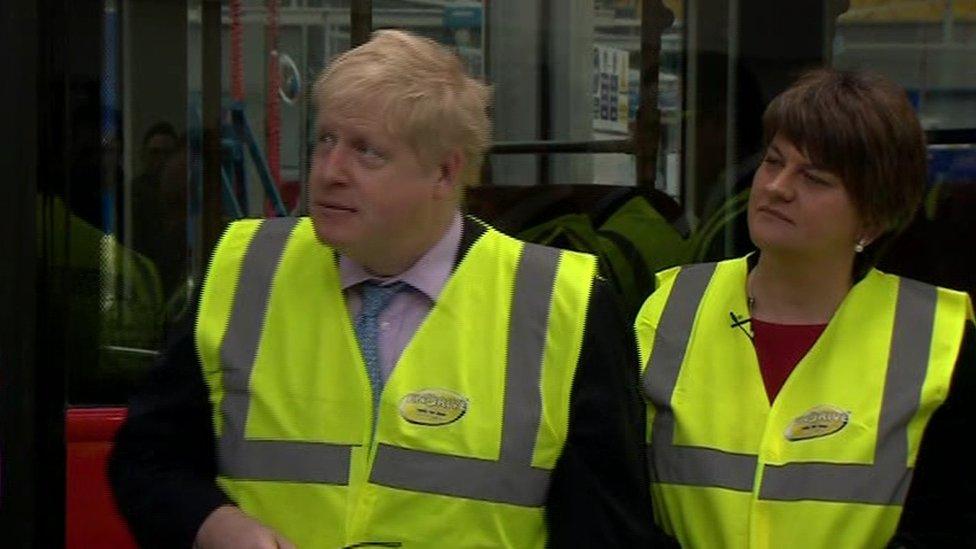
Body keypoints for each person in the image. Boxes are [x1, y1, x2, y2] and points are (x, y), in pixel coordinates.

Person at [110, 29, 667, 548]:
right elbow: (148, 460)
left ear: (445, 173)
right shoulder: (245, 267)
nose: (329, 170)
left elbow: (607, 530)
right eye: (325, 139)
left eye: (366, 151)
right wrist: (213, 523)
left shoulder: (563, 303)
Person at [635, 68, 975, 548]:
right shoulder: (667, 306)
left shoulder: (941, 337)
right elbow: (620, 499)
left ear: (873, 216)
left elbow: (953, 525)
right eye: (774, 162)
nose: (777, 187)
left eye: (814, 178)